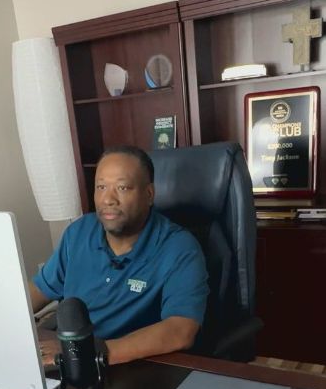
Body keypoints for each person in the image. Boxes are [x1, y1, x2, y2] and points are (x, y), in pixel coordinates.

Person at [29, 145, 208, 367]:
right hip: (72, 356)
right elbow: (40, 289)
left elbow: (181, 330)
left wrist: (92, 353)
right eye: (101, 187)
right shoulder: (79, 232)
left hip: (129, 364)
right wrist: (1, 320)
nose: (108, 199)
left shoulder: (179, 248)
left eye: (122, 188)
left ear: (149, 194)